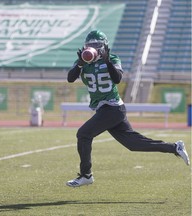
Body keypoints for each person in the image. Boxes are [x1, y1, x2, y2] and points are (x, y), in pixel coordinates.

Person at [66, 30, 190, 188]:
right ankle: (174, 147)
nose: (93, 48)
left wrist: (107, 62)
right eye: (90, 46)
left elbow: (117, 79)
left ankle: (86, 175)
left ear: (104, 46)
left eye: (97, 45)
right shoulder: (83, 62)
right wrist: (80, 64)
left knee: (83, 134)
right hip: (107, 110)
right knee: (134, 144)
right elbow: (70, 78)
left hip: (112, 108)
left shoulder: (112, 58)